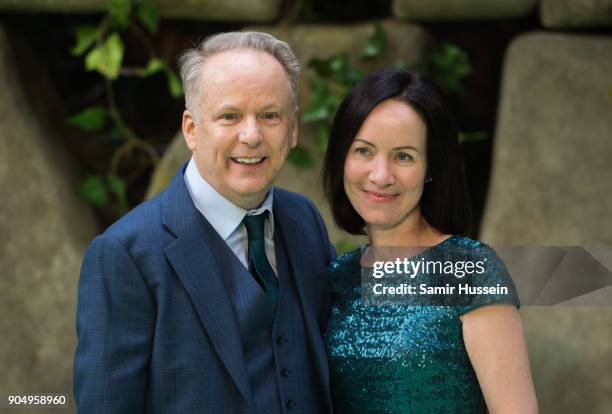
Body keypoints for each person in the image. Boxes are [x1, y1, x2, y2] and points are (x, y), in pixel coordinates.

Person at [74, 31, 335, 413]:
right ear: (191, 129)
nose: (251, 135)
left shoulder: (304, 220)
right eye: (230, 116)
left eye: (270, 115)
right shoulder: (125, 254)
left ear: (292, 129)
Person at [322, 68, 538, 413]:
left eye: (403, 156)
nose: (380, 175)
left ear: (432, 168)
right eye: (363, 151)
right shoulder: (337, 278)